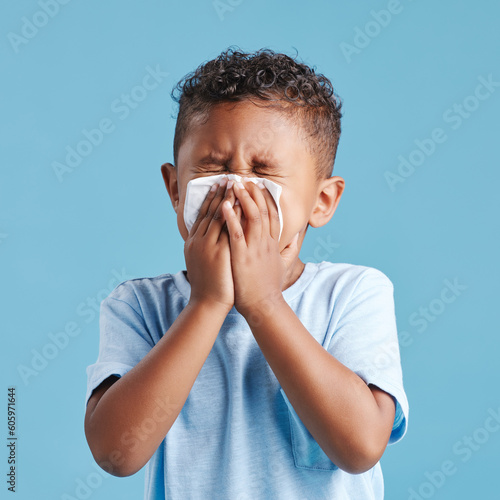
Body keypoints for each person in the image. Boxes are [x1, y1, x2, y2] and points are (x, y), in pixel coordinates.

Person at [84, 46, 409, 500]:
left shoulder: (352, 293)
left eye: (263, 171)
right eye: (213, 167)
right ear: (176, 188)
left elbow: (359, 447)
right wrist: (207, 303)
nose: (235, 188)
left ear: (322, 201)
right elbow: (117, 454)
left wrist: (263, 303)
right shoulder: (140, 306)